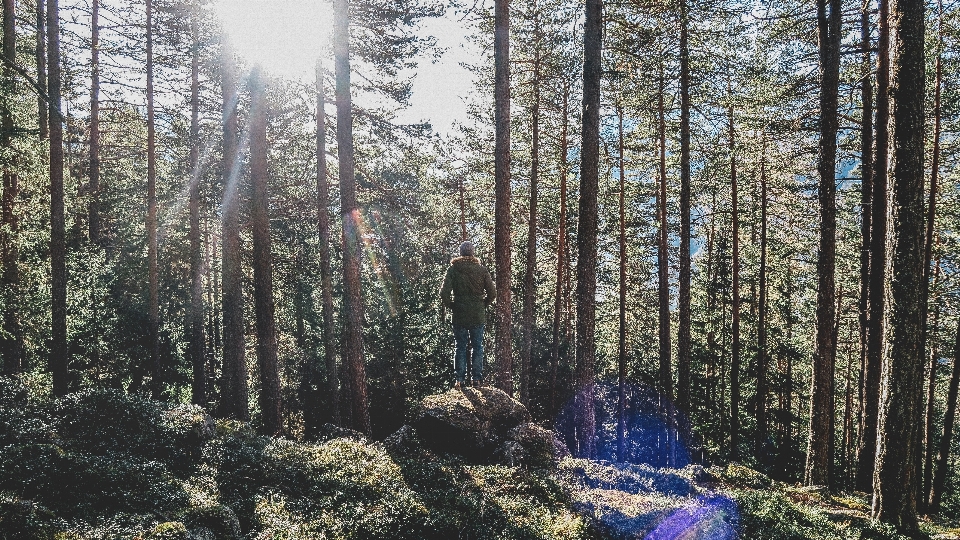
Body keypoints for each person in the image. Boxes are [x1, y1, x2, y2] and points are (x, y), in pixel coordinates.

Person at [439, 241, 495, 389]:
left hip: (460, 314)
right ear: (473, 253)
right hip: (477, 314)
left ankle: (459, 380)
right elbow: (493, 293)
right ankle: (476, 379)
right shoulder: (482, 270)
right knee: (477, 347)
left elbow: (443, 293)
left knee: (460, 347)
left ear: (461, 253)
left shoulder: (453, 269)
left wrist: (452, 306)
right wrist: (483, 304)